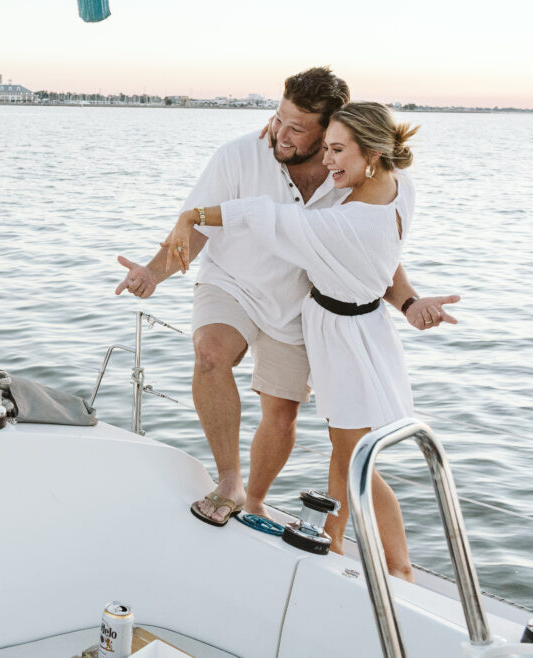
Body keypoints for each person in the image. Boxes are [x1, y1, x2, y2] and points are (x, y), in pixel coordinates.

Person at [115, 67, 459, 527]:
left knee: (281, 413)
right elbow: (194, 223)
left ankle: (254, 500)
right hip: (232, 282)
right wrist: (153, 273)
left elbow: (373, 256)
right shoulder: (239, 155)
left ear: (331, 128)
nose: (281, 133)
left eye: (298, 128)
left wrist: (411, 303)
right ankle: (229, 481)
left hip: (301, 305)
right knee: (210, 354)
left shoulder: (351, 177)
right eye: (279, 118)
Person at [163, 101, 421, 579]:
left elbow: (261, 216)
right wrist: (410, 303)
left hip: (343, 337)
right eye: (325, 147)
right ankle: (344, 548)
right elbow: (386, 262)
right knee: (349, 456)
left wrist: (192, 215)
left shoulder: (344, 219)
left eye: (338, 151)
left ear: (372, 153)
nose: (327, 162)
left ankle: (394, 567)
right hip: (359, 331)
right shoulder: (397, 187)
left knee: (354, 460)